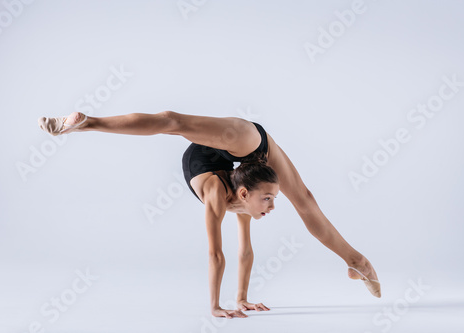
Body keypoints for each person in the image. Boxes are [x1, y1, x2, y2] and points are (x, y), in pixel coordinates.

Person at [38, 110, 381, 319]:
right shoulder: (220, 194)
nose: (273, 208)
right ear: (245, 193)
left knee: (303, 198)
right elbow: (216, 254)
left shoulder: (244, 198)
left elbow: (245, 251)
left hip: (236, 162)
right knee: (172, 122)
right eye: (268, 200)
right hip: (227, 148)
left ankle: (359, 262)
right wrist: (216, 306)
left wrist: (242, 299)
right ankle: (87, 122)